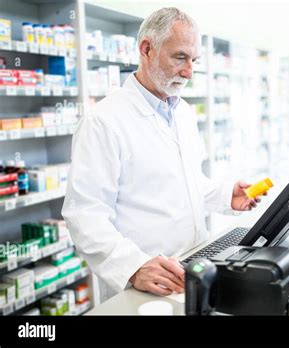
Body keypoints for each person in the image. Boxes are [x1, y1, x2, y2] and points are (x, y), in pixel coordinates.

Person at [62, 7, 262, 302]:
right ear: (147, 49)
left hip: (192, 263)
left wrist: (223, 195)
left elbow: (185, 182)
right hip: (143, 281)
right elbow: (85, 214)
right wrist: (132, 266)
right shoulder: (103, 121)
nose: (189, 71)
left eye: (194, 60)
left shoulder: (183, 112)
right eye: (180, 57)